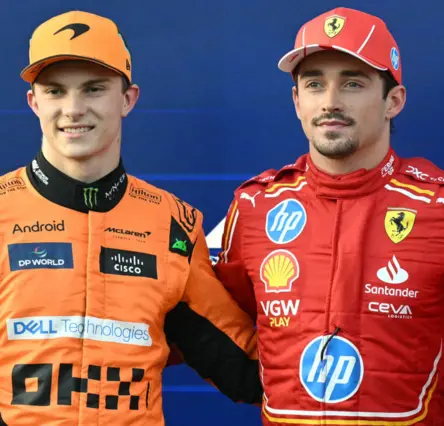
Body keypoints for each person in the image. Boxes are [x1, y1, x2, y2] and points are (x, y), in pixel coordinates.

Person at [212, 7, 444, 425]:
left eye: (353, 83)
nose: (330, 102)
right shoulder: (255, 206)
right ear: (296, 100)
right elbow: (216, 325)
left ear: (393, 101)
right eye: (314, 84)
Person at [0, 10, 262, 425]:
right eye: (54, 91)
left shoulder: (173, 223)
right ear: (33, 102)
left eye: (93, 89)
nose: (73, 108)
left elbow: (246, 371)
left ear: (127, 99)